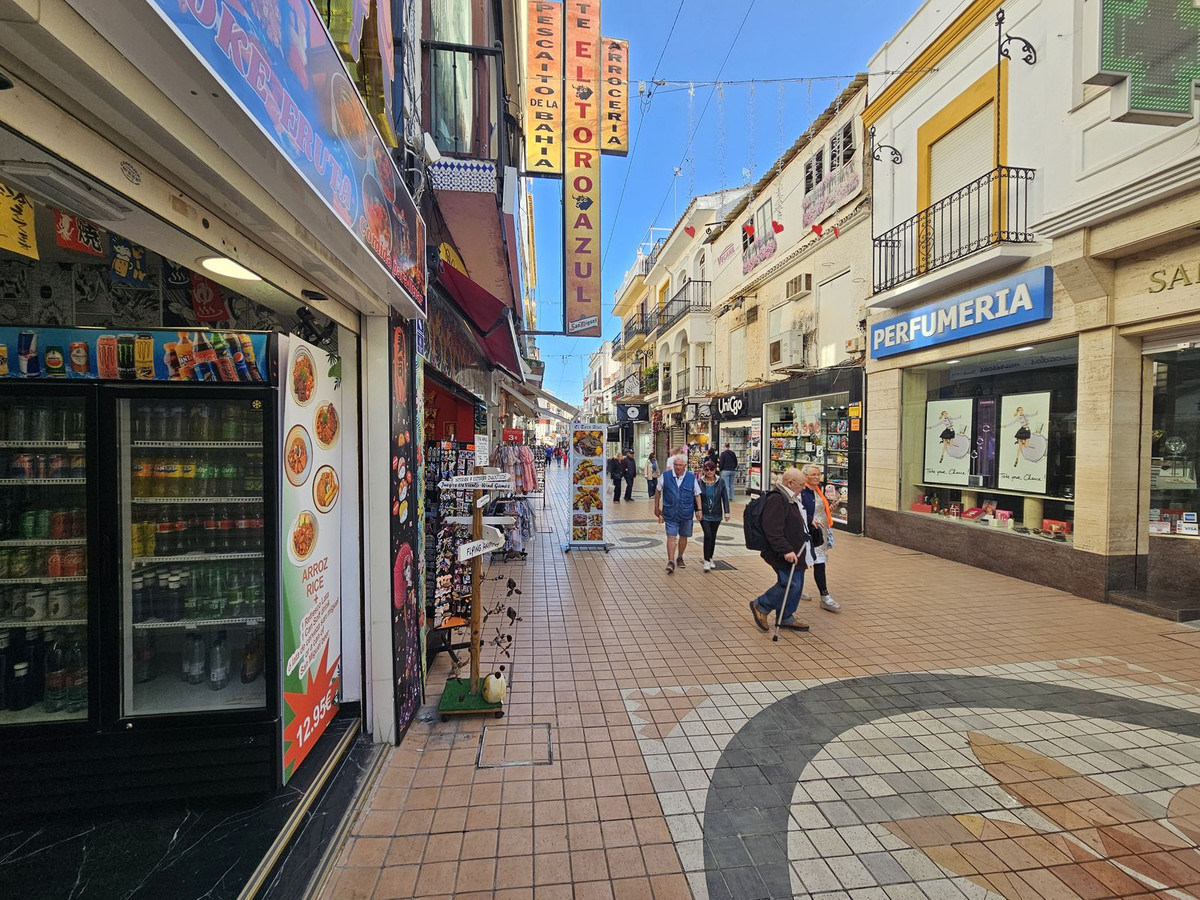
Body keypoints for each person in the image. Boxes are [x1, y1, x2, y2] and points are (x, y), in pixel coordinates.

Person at [748, 467, 812, 633]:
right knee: (790, 583)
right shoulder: (777, 499)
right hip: (783, 552)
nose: (803, 488)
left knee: (797, 584)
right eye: (801, 484)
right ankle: (761, 605)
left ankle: (786, 616)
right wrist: (785, 549)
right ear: (790, 483)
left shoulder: (790, 497)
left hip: (797, 550)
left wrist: (811, 522)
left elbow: (795, 517)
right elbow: (772, 529)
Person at [800, 464, 841, 612]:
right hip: (809, 533)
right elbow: (800, 511)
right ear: (805, 476)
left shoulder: (817, 490)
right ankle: (797, 588)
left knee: (820, 563)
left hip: (820, 533)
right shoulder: (802, 492)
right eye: (813, 474)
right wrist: (810, 520)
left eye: (818, 474)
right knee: (803, 562)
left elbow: (819, 509)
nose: (817, 477)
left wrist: (828, 509)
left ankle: (824, 596)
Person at [654, 454, 701, 574]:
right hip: (670, 512)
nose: (678, 467)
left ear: (685, 466)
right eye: (676, 465)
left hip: (686, 512)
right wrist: (656, 507)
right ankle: (671, 561)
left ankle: (680, 557)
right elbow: (658, 491)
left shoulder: (691, 478)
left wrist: (699, 510)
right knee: (671, 536)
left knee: (683, 536)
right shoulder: (665, 476)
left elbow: (697, 494)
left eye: (680, 465)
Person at [698, 460, 731, 572]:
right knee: (707, 535)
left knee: (713, 536)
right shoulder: (700, 482)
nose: (709, 472)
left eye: (711, 469)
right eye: (706, 469)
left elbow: (724, 497)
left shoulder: (720, 481)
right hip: (704, 514)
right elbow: (696, 497)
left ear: (715, 469)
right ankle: (706, 560)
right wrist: (697, 511)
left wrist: (727, 512)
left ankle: (710, 557)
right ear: (703, 470)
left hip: (716, 513)